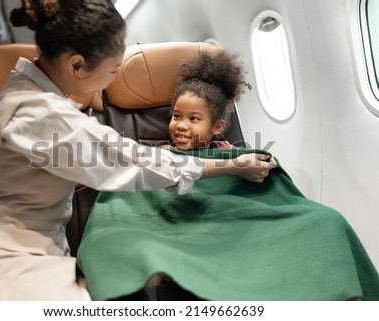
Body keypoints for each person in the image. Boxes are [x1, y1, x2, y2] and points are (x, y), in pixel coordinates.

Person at [0, 0, 274, 301]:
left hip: (36, 253)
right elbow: (133, 161)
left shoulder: (34, 93)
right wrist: (232, 166)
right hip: (4, 268)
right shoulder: (38, 115)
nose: (111, 82)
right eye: (113, 70)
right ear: (77, 65)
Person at [77, 48, 379, 301]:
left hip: (235, 223)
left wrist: (256, 163)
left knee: (327, 220)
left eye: (194, 119)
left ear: (217, 127)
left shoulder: (232, 151)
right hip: (181, 227)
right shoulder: (158, 156)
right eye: (176, 116)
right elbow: (140, 191)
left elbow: (265, 191)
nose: (180, 125)